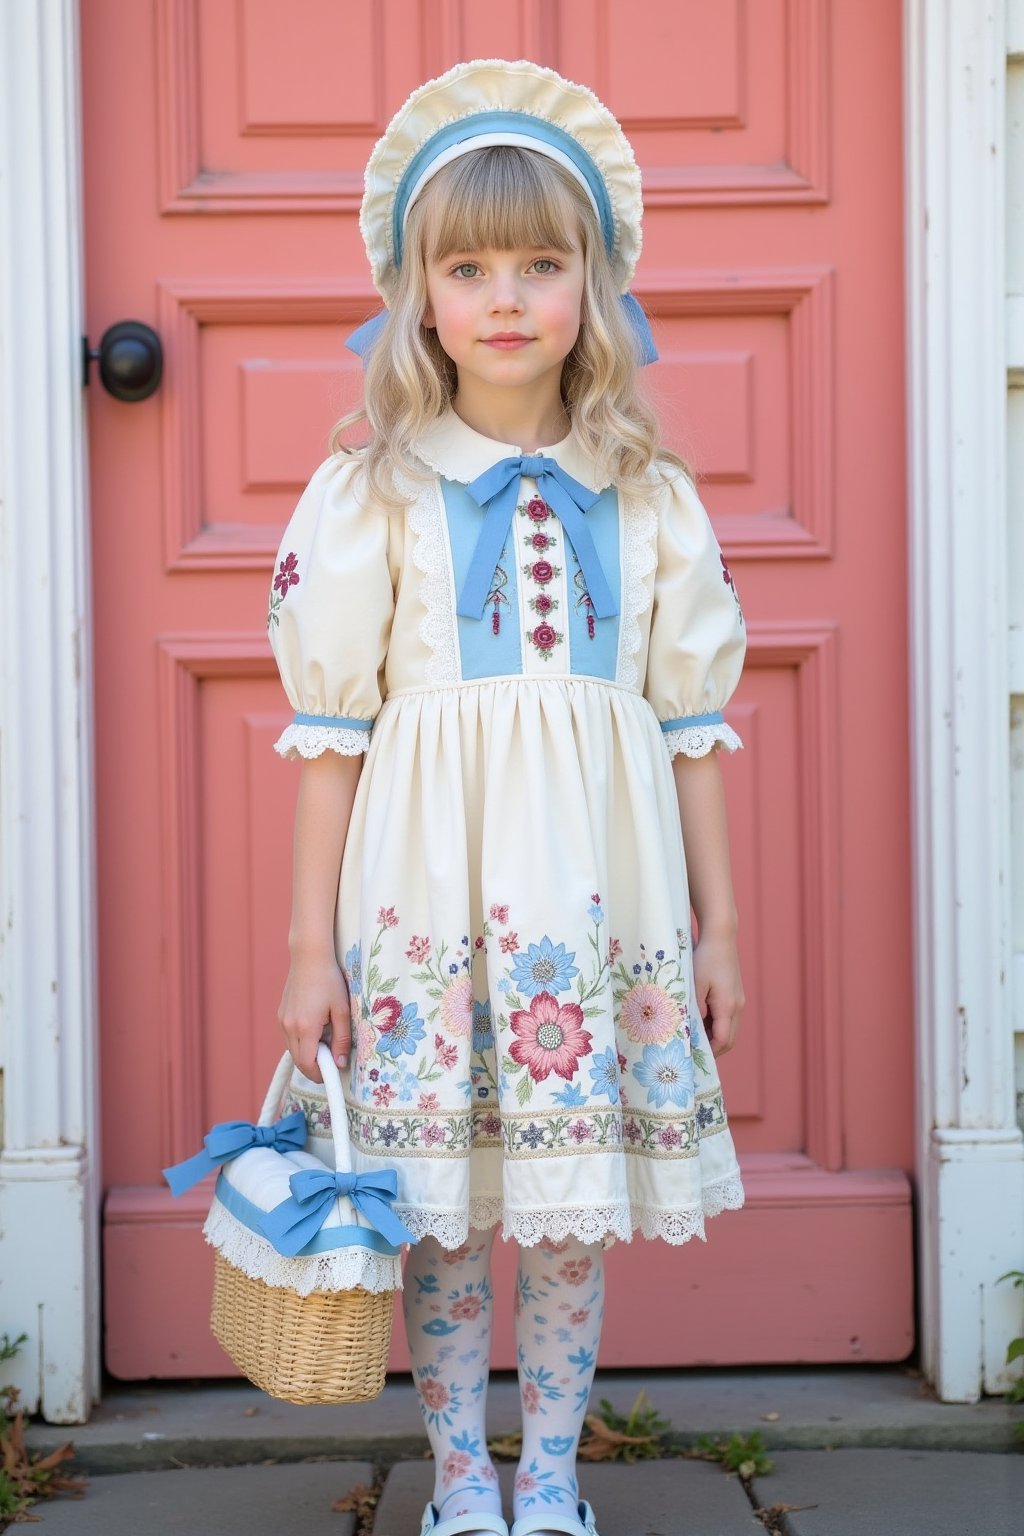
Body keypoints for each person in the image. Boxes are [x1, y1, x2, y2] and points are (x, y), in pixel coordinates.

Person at [268, 58, 747, 1536]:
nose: (506, 298)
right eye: (468, 266)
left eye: (543, 263)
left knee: (559, 1204)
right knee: (447, 1208)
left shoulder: (648, 489)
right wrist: (306, 945)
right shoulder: (375, 488)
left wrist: (725, 927)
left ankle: (549, 1476)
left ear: (594, 285)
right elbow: (334, 729)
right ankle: (458, 1475)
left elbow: (689, 727)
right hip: (423, 886)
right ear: (417, 292)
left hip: (593, 895)